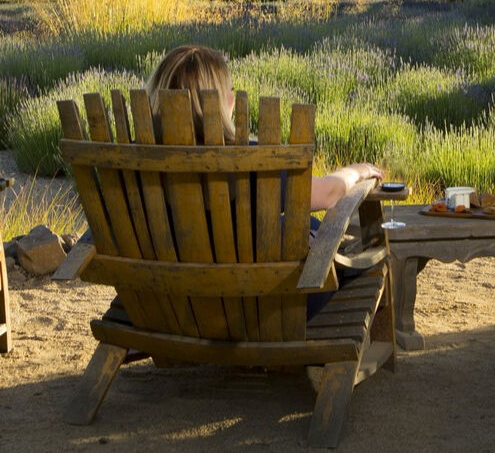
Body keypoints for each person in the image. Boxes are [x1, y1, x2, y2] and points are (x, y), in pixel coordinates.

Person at [146, 45, 386, 316]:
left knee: (297, 227)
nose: (233, 97)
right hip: (261, 312)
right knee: (314, 236)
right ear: (218, 102)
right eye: (229, 90)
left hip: (176, 311)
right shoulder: (249, 160)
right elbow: (329, 194)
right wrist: (358, 170)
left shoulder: (135, 163)